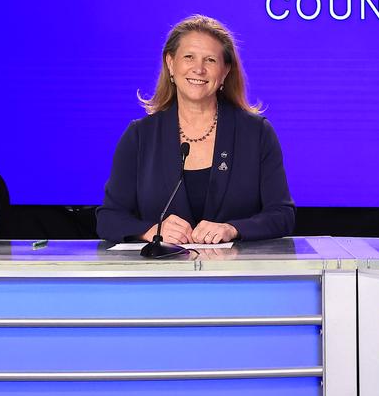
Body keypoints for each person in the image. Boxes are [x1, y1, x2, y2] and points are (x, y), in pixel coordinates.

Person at [97, 16, 294, 244]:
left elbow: (282, 215)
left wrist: (233, 229)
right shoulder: (140, 136)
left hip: (236, 276)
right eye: (189, 57)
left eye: (210, 60)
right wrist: (151, 231)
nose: (198, 69)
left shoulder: (257, 133)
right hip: (162, 275)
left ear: (225, 71)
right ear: (171, 63)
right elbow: (109, 218)